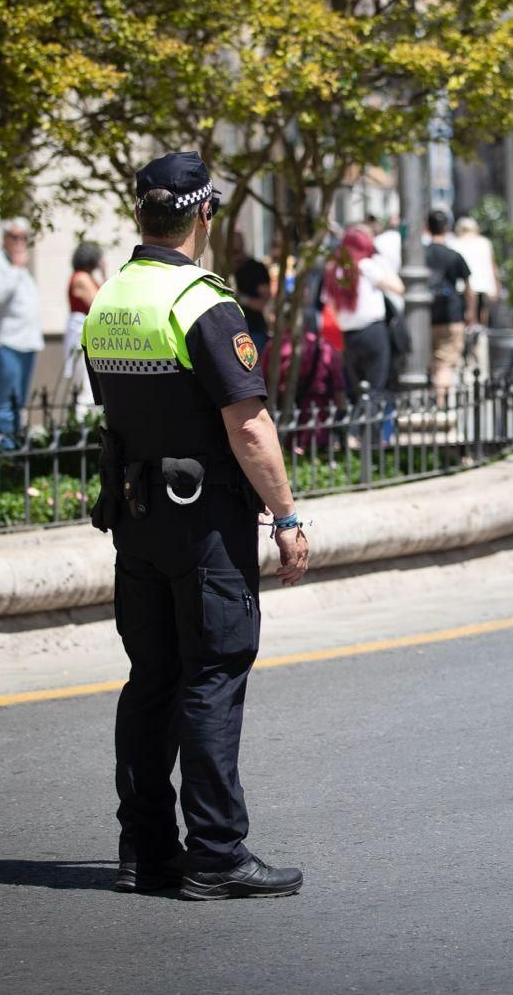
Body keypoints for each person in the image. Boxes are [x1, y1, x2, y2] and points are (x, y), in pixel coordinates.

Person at [81, 150, 310, 901]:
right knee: (213, 677)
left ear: (141, 212)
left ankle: (145, 851)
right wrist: (286, 515)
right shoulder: (203, 304)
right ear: (204, 213)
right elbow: (250, 428)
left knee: (151, 681)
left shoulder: (110, 301)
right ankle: (216, 853)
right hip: (205, 524)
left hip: (136, 520)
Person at [0, 219, 45, 450]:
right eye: (15, 237)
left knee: (19, 401)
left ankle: (16, 448)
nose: (20, 242)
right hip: (6, 342)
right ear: (4, 239)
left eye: (24, 238)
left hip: (27, 342)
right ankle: (6, 452)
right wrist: (16, 269)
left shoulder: (21, 268)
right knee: (7, 400)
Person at [325, 225, 404, 401]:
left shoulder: (334, 271)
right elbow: (398, 287)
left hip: (349, 336)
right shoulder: (367, 266)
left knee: (357, 391)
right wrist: (382, 264)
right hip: (373, 331)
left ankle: (360, 427)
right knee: (376, 388)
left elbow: (330, 305)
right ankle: (371, 428)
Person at [426, 209, 473, 401]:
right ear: (447, 228)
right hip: (451, 314)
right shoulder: (454, 256)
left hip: (425, 315)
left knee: (430, 361)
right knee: (445, 363)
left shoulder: (420, 255)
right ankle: (441, 401)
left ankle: (433, 396)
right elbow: (469, 287)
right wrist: (470, 311)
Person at [60, 242, 103, 387]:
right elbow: (99, 303)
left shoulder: (84, 276)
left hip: (84, 330)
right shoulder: (81, 278)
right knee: (85, 381)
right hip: (81, 331)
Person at [450, 215, 500, 326]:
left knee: (463, 318)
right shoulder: (484, 243)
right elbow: (492, 266)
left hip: (461, 287)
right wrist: (495, 286)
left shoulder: (454, 243)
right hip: (481, 285)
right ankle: (479, 337)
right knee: (481, 314)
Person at [230, 230, 272, 358]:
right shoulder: (225, 268)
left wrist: (242, 299)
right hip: (230, 329)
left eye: (237, 250)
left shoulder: (256, 269)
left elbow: (262, 303)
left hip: (253, 330)